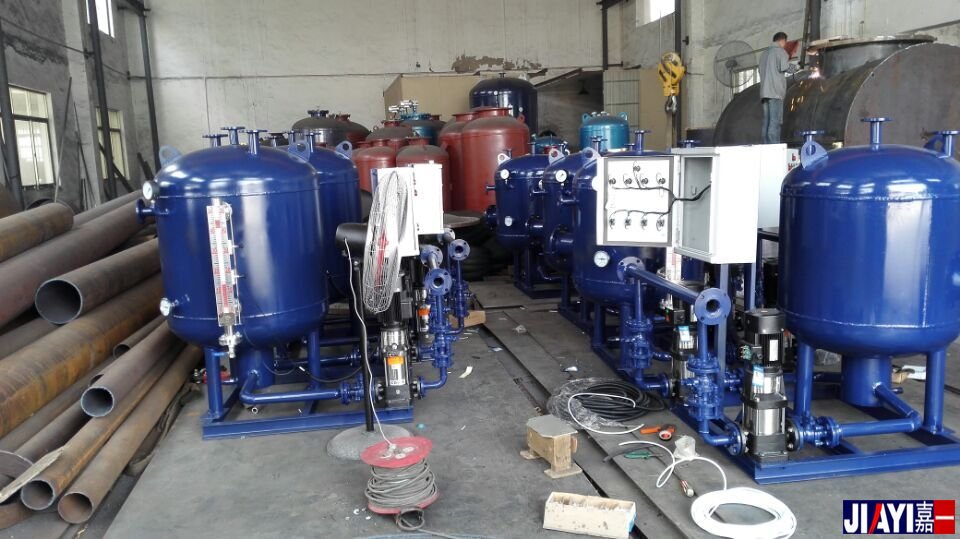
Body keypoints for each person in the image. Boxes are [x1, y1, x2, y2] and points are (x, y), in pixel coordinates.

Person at [759, 31, 799, 144]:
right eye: (785, 42)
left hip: (764, 93)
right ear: (782, 41)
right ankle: (775, 147)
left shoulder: (764, 54)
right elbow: (785, 67)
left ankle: (765, 145)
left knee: (766, 121)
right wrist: (796, 67)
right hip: (775, 92)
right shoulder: (780, 52)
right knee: (775, 121)